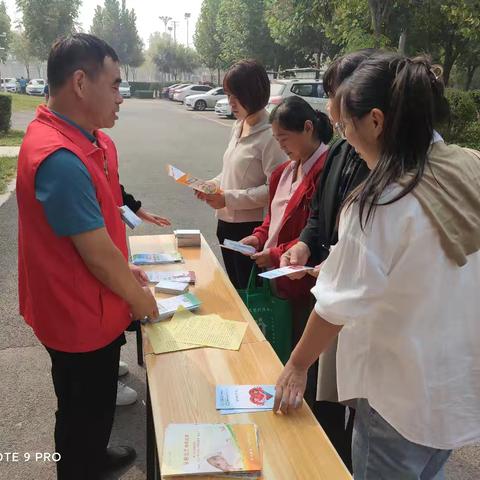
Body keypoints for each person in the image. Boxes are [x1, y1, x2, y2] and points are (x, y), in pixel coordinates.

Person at [274, 52, 480, 480]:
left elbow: (334, 307)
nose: (345, 139)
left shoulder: (381, 201)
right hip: (456, 387)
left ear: (376, 121)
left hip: (400, 396)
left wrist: (296, 365)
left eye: (346, 127)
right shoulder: (469, 165)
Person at [17, 33, 159, 479]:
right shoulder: (59, 156)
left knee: (93, 402)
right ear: (81, 82)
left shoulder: (83, 140)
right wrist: (140, 302)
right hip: (75, 314)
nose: (121, 97)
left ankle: (92, 456)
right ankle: (79, 466)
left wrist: (125, 271)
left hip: (89, 304)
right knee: (81, 409)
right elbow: (96, 254)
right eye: (115, 85)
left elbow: (103, 229)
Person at [277, 49, 376, 471]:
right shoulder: (340, 152)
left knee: (354, 398)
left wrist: (335, 263)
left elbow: (365, 249)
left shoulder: (385, 170)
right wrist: (302, 243)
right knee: (323, 390)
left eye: (335, 97)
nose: (330, 110)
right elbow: (318, 215)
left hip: (350, 301)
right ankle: (324, 454)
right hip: (325, 288)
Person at [240, 96, 332, 363]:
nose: (280, 145)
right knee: (278, 341)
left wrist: (277, 252)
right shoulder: (283, 171)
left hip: (302, 280)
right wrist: (259, 237)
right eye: (276, 140)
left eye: (284, 138)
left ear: (307, 128)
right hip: (275, 273)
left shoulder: (326, 171)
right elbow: (274, 217)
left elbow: (315, 230)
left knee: (299, 347)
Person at [195, 59, 287, 289]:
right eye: (228, 96)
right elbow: (229, 171)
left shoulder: (270, 136)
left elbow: (275, 190)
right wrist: (211, 185)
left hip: (250, 228)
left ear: (254, 94)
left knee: (250, 293)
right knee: (236, 287)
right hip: (225, 222)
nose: (231, 103)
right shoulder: (239, 126)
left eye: (236, 97)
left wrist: (228, 197)